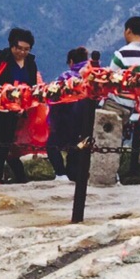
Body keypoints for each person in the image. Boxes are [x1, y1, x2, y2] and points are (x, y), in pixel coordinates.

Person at [0, 29, 38, 184]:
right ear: (12, 46)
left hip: (13, 110)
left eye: (26, 49)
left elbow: (31, 86)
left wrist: (25, 105)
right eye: (19, 48)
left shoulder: (30, 63)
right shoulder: (0, 57)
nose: (22, 52)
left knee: (5, 143)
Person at [108, 16, 140, 170]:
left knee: (108, 137)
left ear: (128, 31)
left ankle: (111, 170)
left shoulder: (121, 54)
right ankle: (133, 167)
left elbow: (110, 78)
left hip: (119, 104)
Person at [48, 47, 97, 180]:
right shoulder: (94, 75)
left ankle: (61, 174)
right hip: (87, 121)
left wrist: (52, 121)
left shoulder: (66, 77)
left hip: (66, 119)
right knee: (77, 147)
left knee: (52, 145)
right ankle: (73, 175)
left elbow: (53, 98)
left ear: (71, 61)